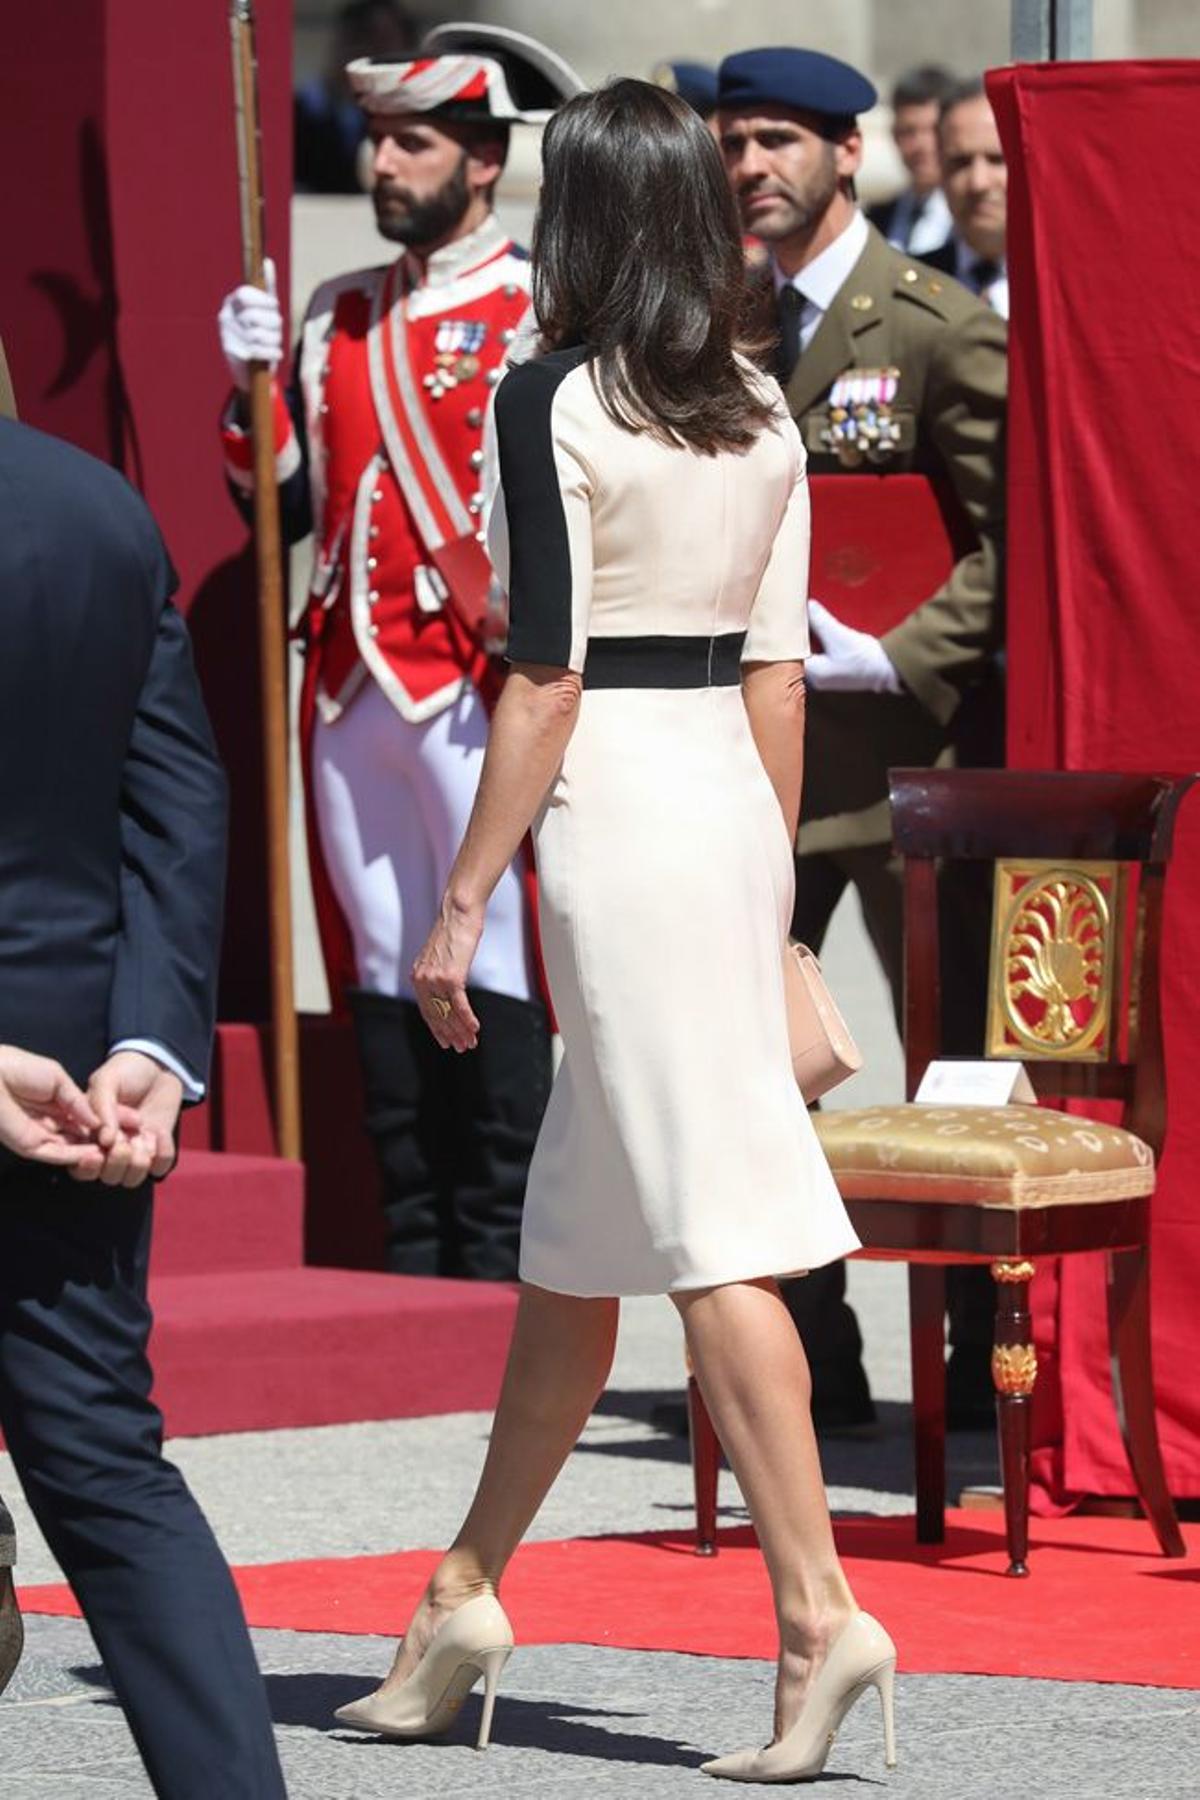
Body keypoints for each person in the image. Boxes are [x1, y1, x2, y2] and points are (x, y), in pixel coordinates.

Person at [332, 79, 897, 1783]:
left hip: (615, 814)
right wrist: (770, 883)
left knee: (706, 1225)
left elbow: (548, 675)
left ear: (579, 219)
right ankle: (465, 1590)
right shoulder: (756, 400)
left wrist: (456, 898)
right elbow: (787, 673)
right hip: (724, 801)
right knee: (580, 1242)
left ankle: (819, 1612)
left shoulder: (547, 397)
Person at [218, 27, 582, 1280]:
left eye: (411, 142)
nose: (382, 162)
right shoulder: (337, 313)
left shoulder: (539, 305)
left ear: (482, 161)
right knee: (378, 954)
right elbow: (283, 498)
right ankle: (410, 1243)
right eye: (375, 139)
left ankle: (499, 1259)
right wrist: (250, 387)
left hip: (478, 686)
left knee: (488, 958)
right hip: (344, 680)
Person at [715, 46, 1007, 1431]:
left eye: (777, 140)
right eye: (732, 144)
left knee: (952, 1071)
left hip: (908, 764)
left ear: (847, 154)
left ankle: (964, 1367)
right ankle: (813, 1353)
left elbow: (1015, 540)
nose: (751, 169)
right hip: (764, 765)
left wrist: (903, 650)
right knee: (746, 1061)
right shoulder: (727, 327)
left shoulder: (935, 324)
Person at [0, 414, 286, 1796]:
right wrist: (152, 1044)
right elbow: (177, 794)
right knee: (112, 1479)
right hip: (75, 1070)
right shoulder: (99, 508)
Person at [294, 0, 417, 194]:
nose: (362, 53)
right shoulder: (299, 113)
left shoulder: (422, 120)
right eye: (354, 39)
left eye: (380, 42)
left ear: (406, 50)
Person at [922, 78, 1009, 317]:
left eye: (996, 160)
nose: (978, 182)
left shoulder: (1066, 286)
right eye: (960, 163)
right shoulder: (909, 289)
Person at [867, 64, 956, 255]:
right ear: (894, 136)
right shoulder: (875, 221)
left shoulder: (969, 221)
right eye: (908, 132)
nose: (921, 145)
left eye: (932, 130)